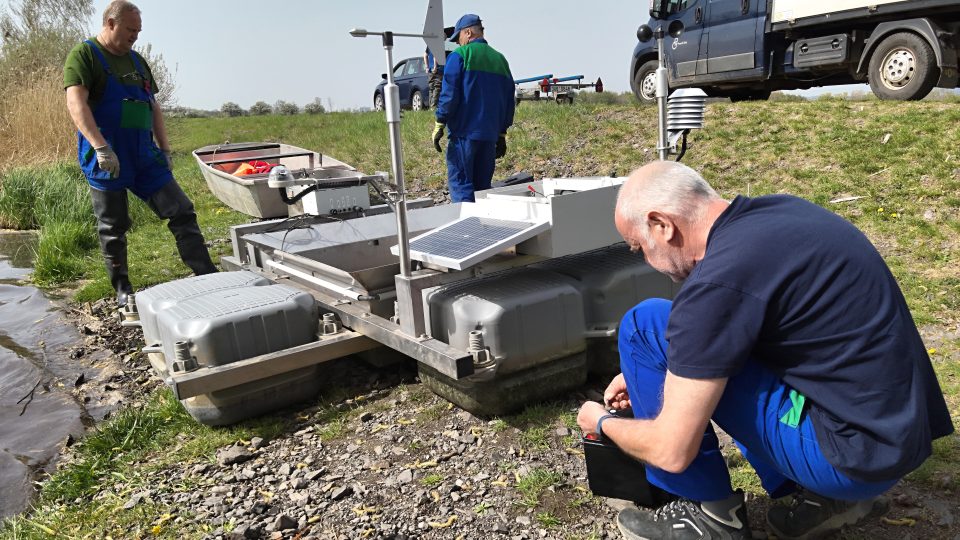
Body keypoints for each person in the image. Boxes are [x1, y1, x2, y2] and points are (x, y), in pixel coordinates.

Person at [578, 161, 953, 540]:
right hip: (894, 437)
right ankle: (820, 499)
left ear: (662, 225)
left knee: (645, 324)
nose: (646, 260)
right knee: (669, 329)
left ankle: (708, 518)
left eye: (639, 246)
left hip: (851, 459)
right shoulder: (782, 213)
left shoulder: (717, 284)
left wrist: (602, 423)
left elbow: (671, 450)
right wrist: (669, 369)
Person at [64, 1, 217, 307]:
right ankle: (122, 290)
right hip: (108, 156)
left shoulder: (137, 61)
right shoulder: (85, 55)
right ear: (110, 23)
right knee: (113, 226)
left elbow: (153, 106)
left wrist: (164, 148)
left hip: (144, 156)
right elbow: (76, 104)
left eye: (138, 31)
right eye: (130, 30)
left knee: (182, 210)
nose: (135, 36)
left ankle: (207, 274)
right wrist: (100, 147)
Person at [432, 14, 515, 203]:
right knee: (482, 191)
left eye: (458, 38)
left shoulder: (459, 56)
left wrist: (440, 122)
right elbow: (509, 101)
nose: (458, 43)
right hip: (489, 138)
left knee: (461, 187)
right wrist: (502, 133)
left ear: (468, 33)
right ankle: (483, 231)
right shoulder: (500, 60)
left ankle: (466, 231)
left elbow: (449, 95)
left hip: (464, 136)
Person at [422, 27, 455, 110]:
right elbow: (436, 56)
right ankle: (433, 107)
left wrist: (427, 67)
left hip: (430, 70)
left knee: (431, 88)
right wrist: (435, 67)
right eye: (445, 36)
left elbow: (425, 55)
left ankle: (430, 106)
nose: (445, 38)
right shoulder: (439, 45)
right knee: (437, 87)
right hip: (438, 69)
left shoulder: (430, 44)